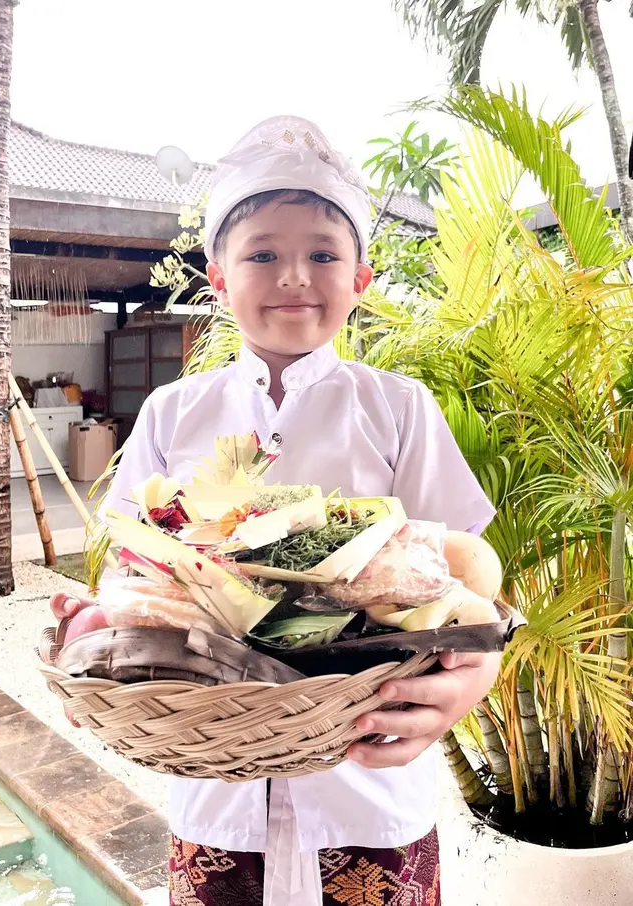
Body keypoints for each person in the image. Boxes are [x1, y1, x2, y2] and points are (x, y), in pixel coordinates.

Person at [51, 115, 500, 906]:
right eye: (263, 253)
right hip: (215, 795)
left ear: (361, 281)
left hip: (371, 785)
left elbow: (463, 584)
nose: (295, 275)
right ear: (219, 279)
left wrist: (473, 677)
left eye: (323, 254)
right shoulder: (171, 411)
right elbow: (133, 566)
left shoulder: (397, 407)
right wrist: (101, 659)